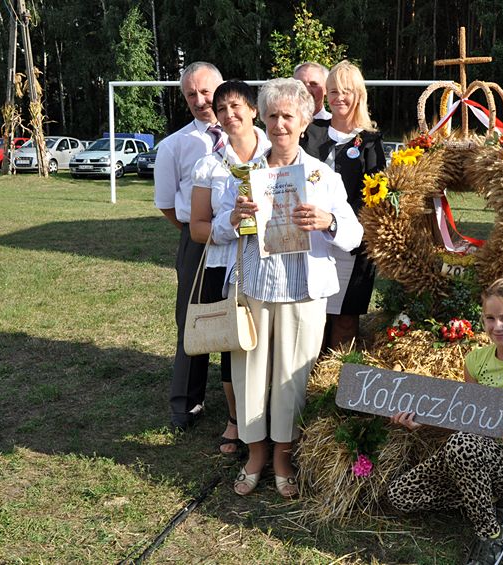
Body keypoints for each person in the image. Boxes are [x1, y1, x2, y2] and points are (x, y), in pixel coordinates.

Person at [211, 78, 363, 498]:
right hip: (254, 289)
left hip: (304, 292)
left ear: (304, 121)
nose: (279, 124)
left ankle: (283, 455)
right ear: (263, 116)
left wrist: (327, 222)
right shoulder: (246, 174)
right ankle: (255, 453)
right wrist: (236, 217)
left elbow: (353, 233)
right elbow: (221, 230)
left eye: (288, 116)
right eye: (273, 115)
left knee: (290, 380)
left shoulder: (322, 176)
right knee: (250, 375)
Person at [387, 278, 503, 565]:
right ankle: (485, 498)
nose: (497, 326)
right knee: (400, 496)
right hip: (473, 451)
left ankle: (492, 535)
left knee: (462, 445)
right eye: (490, 318)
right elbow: (467, 418)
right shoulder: (475, 361)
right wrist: (421, 421)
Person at [189, 80, 270, 454]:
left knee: (269, 339)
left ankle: (272, 418)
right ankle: (236, 419)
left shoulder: (279, 155)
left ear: (254, 109)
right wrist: (230, 224)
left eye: (236, 106)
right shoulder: (209, 164)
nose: (229, 114)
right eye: (221, 109)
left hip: (272, 263)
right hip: (224, 265)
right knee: (231, 341)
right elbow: (197, 227)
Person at [153, 61, 224, 431]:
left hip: (243, 241)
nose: (200, 100)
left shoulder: (251, 137)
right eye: (191, 94)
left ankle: (239, 401)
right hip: (196, 242)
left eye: (206, 91)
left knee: (239, 314)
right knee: (192, 321)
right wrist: (195, 230)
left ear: (222, 87)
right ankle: (186, 403)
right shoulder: (174, 145)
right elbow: (167, 203)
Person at [301, 60, 385, 350]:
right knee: (311, 317)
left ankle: (331, 383)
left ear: (358, 94)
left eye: (346, 91)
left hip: (352, 244)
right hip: (309, 239)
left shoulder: (371, 141)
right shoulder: (309, 132)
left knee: (345, 319)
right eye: (333, 91)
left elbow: (377, 195)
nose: (338, 98)